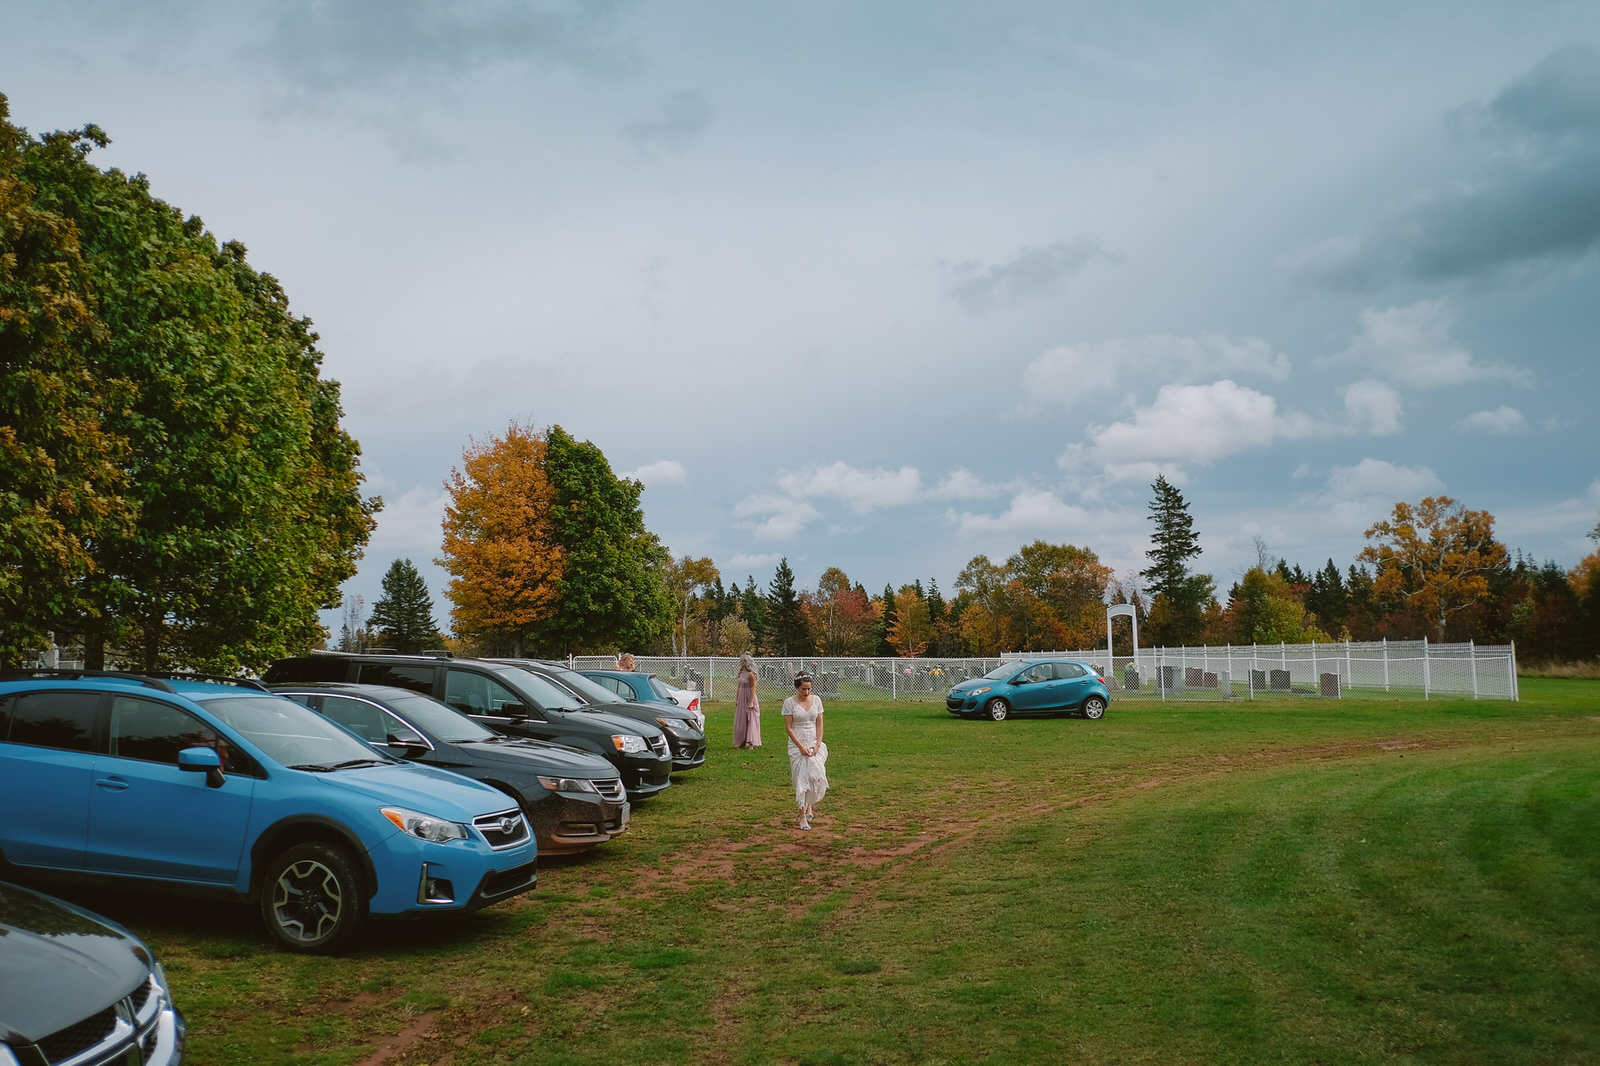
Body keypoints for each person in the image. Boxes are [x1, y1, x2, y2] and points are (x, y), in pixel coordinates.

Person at [782, 672, 828, 830]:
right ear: (797, 688)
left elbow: (819, 724)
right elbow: (788, 727)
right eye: (803, 689)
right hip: (798, 743)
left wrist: (817, 744)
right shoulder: (789, 703)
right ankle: (802, 815)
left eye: (809, 689)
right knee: (801, 778)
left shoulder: (817, 701)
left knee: (814, 775)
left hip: (814, 742)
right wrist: (801, 747)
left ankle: (809, 806)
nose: (806, 692)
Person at [734, 653, 761, 748]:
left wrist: (751, 701)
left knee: (751, 718)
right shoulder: (741, 673)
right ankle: (741, 741)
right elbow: (739, 687)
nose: (740, 662)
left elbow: (753, 687)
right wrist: (737, 699)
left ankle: (751, 743)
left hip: (749, 696)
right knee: (741, 718)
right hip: (742, 696)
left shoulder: (750, 674)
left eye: (742, 661)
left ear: (746, 662)